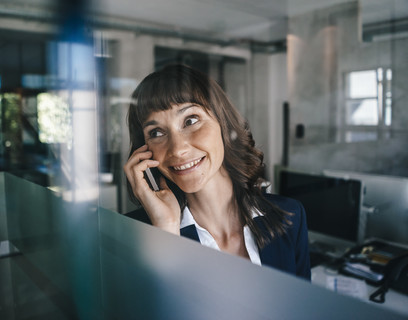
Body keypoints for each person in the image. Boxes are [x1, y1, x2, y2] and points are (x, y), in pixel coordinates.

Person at [123, 64, 311, 280]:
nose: (177, 149)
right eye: (156, 132)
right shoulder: (137, 235)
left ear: (225, 125)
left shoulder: (290, 217)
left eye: (190, 121)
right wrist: (167, 231)